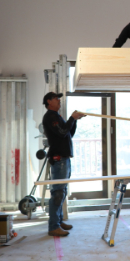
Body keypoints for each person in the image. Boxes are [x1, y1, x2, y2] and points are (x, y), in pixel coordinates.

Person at [41, 92, 87, 236]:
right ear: (49, 101)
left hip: (63, 158)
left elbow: (68, 134)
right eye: (56, 98)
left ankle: (58, 222)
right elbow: (62, 133)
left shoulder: (57, 116)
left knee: (61, 192)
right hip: (59, 158)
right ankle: (53, 226)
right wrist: (71, 118)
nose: (59, 100)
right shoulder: (50, 117)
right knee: (58, 192)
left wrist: (74, 120)